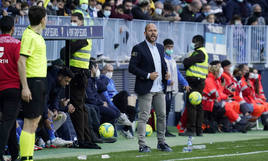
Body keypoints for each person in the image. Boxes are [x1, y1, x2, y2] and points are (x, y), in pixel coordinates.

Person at [129, 23, 172, 152]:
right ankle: (142, 144)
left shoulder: (160, 47)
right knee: (144, 116)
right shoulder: (138, 48)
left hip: (159, 88)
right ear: (145, 33)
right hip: (146, 87)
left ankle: (162, 142)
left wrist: (166, 74)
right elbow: (132, 68)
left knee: (162, 116)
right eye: (150, 31)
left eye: (155, 31)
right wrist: (148, 75)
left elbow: (162, 63)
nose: (153, 33)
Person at [67, 12, 100, 149]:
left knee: (78, 109)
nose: (72, 23)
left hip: (78, 75)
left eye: (75, 21)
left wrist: (67, 49)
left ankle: (82, 139)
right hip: (79, 74)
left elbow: (66, 51)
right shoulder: (81, 35)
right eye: (71, 21)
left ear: (81, 22)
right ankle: (86, 138)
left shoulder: (82, 36)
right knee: (81, 108)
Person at [17, 6, 47, 161]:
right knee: (29, 122)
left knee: (35, 121)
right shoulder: (28, 36)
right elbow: (21, 62)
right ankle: (25, 157)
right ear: (42, 19)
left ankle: (29, 156)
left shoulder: (36, 35)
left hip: (40, 81)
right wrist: (25, 87)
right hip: (32, 82)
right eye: (46, 17)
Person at [0, 16, 21, 161]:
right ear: (13, 28)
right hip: (12, 87)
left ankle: (14, 153)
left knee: (10, 121)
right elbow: (21, 66)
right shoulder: (16, 44)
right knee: (7, 122)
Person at [163, 39, 190, 137]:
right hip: (164, 88)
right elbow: (161, 74)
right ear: (164, 47)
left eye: (171, 47)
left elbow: (178, 74)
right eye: (168, 47)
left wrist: (185, 83)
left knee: (167, 109)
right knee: (164, 111)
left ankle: (164, 130)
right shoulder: (162, 59)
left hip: (172, 89)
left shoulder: (172, 60)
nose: (170, 49)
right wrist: (168, 81)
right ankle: (163, 130)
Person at [182, 35, 208, 136]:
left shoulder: (199, 52)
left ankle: (191, 130)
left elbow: (187, 62)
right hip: (199, 81)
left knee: (192, 105)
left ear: (198, 42)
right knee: (198, 105)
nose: (192, 43)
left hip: (195, 81)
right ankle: (198, 130)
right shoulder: (202, 52)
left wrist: (186, 59)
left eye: (194, 41)